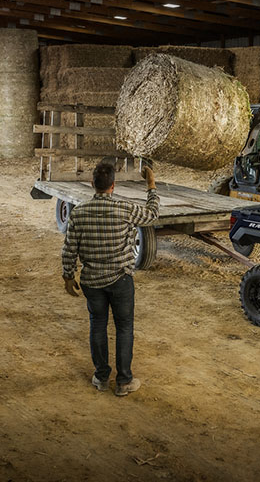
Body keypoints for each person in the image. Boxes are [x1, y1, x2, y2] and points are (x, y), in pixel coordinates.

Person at [62, 161, 159, 396]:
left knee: (98, 325)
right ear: (113, 186)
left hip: (92, 281)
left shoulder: (79, 211)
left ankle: (101, 377)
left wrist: (67, 275)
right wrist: (151, 184)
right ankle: (124, 381)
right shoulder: (125, 209)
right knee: (124, 327)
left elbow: (69, 248)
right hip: (120, 280)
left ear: (92, 184)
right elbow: (153, 215)